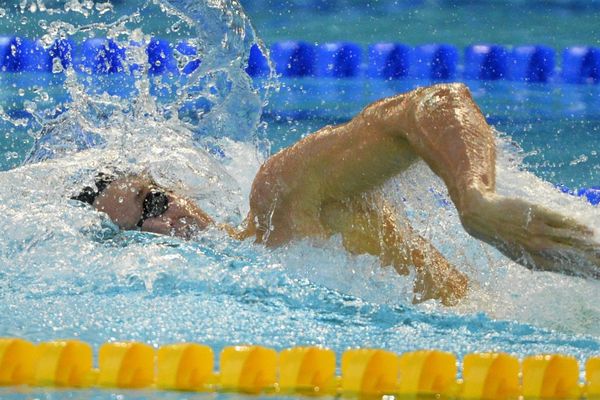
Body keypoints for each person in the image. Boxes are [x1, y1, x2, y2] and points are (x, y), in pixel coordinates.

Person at [72, 83, 599, 306]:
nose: (167, 227)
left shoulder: (282, 200)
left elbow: (433, 102)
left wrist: (474, 200)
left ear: (180, 192)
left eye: (156, 203)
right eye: (139, 234)